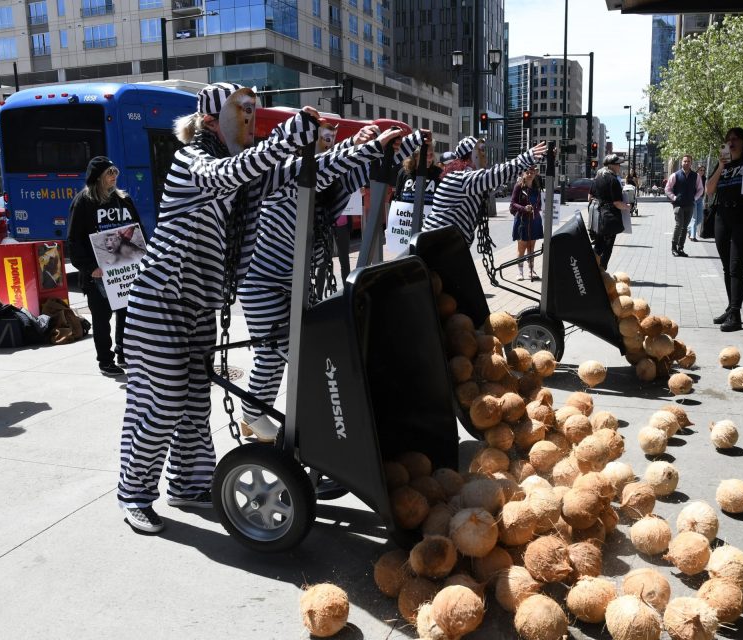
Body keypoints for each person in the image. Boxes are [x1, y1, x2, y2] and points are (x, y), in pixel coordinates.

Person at [116, 83, 318, 534]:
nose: (251, 118)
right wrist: (287, 135)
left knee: (191, 404)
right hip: (159, 302)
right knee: (160, 403)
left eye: (253, 110)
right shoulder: (193, 162)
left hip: (197, 306)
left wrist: (363, 154)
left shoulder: (239, 170)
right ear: (210, 121)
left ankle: (189, 486)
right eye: (242, 110)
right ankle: (133, 493)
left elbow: (288, 172)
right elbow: (224, 176)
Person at [237, 123, 416, 442]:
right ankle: (256, 414)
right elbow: (326, 166)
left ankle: (258, 414)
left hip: (294, 282)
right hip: (262, 282)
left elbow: (353, 173)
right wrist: (367, 146)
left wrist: (400, 145)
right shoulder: (283, 179)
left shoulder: (318, 183)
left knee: (283, 353)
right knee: (284, 352)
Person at [67, 156, 143, 376]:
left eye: (115, 172)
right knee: (102, 318)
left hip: (124, 270)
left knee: (126, 313)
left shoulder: (124, 199)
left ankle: (124, 352)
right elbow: (74, 240)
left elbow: (138, 230)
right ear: (97, 178)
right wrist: (89, 267)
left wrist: (142, 258)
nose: (114, 177)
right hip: (98, 273)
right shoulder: (83, 202)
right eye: (109, 173)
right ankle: (105, 360)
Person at [422, 137, 547, 246]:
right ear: (472, 155)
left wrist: (539, 158)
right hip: (438, 246)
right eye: (481, 150)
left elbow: (504, 176)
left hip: (447, 245)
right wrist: (527, 157)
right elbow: (495, 175)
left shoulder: (467, 179)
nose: (484, 155)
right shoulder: (460, 178)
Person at [705, 127, 743, 332]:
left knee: (736, 266)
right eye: (728, 139)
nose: (731, 142)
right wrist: (720, 166)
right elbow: (709, 190)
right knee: (727, 267)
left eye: (736, 139)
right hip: (722, 217)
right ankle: (730, 308)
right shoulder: (724, 165)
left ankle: (735, 314)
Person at [591, 153, 630, 270]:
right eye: (618, 164)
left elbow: (591, 197)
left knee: (598, 246)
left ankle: (592, 269)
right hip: (610, 218)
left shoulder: (597, 178)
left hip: (599, 216)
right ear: (611, 165)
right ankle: (601, 271)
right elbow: (617, 203)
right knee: (607, 248)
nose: (619, 167)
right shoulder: (613, 180)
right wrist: (628, 206)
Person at [664, 154, 704, 257]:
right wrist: (674, 198)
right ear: (682, 162)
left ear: (691, 163)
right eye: (684, 161)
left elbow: (700, 189)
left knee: (685, 227)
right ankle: (673, 247)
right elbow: (667, 189)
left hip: (690, 205)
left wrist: (694, 198)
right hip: (678, 205)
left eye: (688, 161)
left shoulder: (696, 176)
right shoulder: (675, 175)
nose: (686, 163)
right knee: (679, 225)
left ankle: (680, 248)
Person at [510, 166, 544, 281]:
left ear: (535, 174)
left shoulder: (536, 187)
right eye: (527, 172)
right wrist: (524, 208)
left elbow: (539, 204)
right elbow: (513, 203)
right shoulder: (518, 187)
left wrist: (536, 208)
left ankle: (531, 270)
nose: (530, 175)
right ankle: (520, 272)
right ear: (523, 174)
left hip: (534, 220)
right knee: (522, 247)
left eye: (532, 173)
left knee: (531, 246)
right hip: (522, 220)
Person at [688, 165, 707, 241]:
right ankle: (693, 236)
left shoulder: (704, 178)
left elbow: (705, 190)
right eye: (700, 170)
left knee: (700, 218)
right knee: (694, 218)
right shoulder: (693, 177)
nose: (702, 171)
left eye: (703, 170)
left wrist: (706, 201)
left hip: (700, 199)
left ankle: (688, 229)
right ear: (697, 170)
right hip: (693, 199)